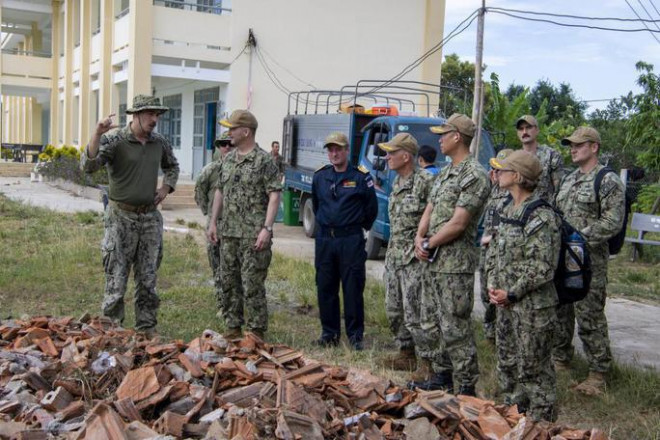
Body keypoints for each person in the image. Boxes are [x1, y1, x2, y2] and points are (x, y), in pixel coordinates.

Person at [81, 95, 180, 336]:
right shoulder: (115, 140)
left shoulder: (159, 142)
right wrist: (97, 133)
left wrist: (166, 187)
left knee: (148, 278)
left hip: (149, 219)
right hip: (120, 218)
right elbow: (89, 166)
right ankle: (112, 332)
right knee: (117, 277)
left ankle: (146, 329)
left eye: (157, 115)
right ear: (136, 115)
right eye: (149, 114)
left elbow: (172, 166)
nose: (154, 119)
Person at [413, 113, 490, 396]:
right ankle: (442, 375)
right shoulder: (445, 171)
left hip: (454, 265)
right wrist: (420, 237)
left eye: (443, 134)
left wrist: (429, 243)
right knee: (433, 322)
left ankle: (467, 385)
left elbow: (459, 223)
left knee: (455, 326)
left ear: (457, 136)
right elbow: (431, 208)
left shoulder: (475, 175)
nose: (439, 139)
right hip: (433, 260)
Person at [487, 150, 561, 421]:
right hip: (506, 304)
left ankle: (542, 423)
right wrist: (492, 285)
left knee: (533, 368)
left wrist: (513, 292)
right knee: (507, 363)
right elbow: (495, 249)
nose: (497, 173)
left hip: (532, 308)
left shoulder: (541, 215)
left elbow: (542, 266)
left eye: (503, 170)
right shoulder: (506, 208)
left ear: (517, 176)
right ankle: (514, 415)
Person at [553, 126, 625, 395]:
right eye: (570, 144)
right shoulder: (569, 180)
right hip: (564, 259)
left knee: (589, 314)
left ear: (594, 147)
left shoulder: (607, 180)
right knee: (562, 309)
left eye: (579, 144)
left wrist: (577, 238)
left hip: (589, 262)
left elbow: (612, 221)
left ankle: (599, 372)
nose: (573, 148)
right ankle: (561, 359)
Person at [207, 110, 282, 340]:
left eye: (232, 128)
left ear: (246, 131)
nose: (229, 132)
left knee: (252, 284)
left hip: (253, 235)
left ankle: (256, 332)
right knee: (229, 282)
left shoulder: (264, 160)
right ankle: (233, 328)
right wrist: (213, 223)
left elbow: (274, 196)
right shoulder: (228, 160)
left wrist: (266, 229)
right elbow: (220, 191)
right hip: (228, 233)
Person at [312, 132, 378, 350]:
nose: (334, 153)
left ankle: (355, 336)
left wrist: (355, 228)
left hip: (350, 240)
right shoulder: (320, 176)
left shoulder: (361, 177)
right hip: (325, 240)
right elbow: (317, 205)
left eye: (338, 149)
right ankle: (329, 334)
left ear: (347, 150)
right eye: (330, 149)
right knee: (325, 287)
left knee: (352, 288)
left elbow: (371, 210)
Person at [378, 133, 435, 371]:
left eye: (392, 152)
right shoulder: (396, 182)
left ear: (406, 156)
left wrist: (426, 244)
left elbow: (437, 217)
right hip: (394, 257)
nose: (387, 156)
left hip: (414, 261)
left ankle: (426, 363)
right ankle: (405, 352)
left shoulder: (425, 182)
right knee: (393, 309)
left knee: (415, 314)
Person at [194, 132, 233, 316]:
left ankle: (235, 304)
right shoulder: (210, 170)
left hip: (236, 226)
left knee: (235, 268)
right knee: (217, 267)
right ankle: (222, 304)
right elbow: (199, 193)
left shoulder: (240, 168)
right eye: (223, 144)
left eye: (230, 144)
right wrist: (209, 215)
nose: (227, 147)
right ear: (218, 147)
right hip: (215, 226)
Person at [479, 149, 515, 341]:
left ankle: (500, 335)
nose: (495, 173)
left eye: (499, 169)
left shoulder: (513, 195)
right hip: (487, 251)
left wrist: (492, 238)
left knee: (499, 295)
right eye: (494, 169)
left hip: (500, 251)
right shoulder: (494, 189)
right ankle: (489, 333)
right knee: (486, 292)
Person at [515, 115, 564, 203]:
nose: (524, 132)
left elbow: (559, 189)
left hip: (544, 211)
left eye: (529, 127)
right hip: (519, 212)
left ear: (537, 130)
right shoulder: (513, 158)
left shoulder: (551, 155)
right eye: (521, 129)